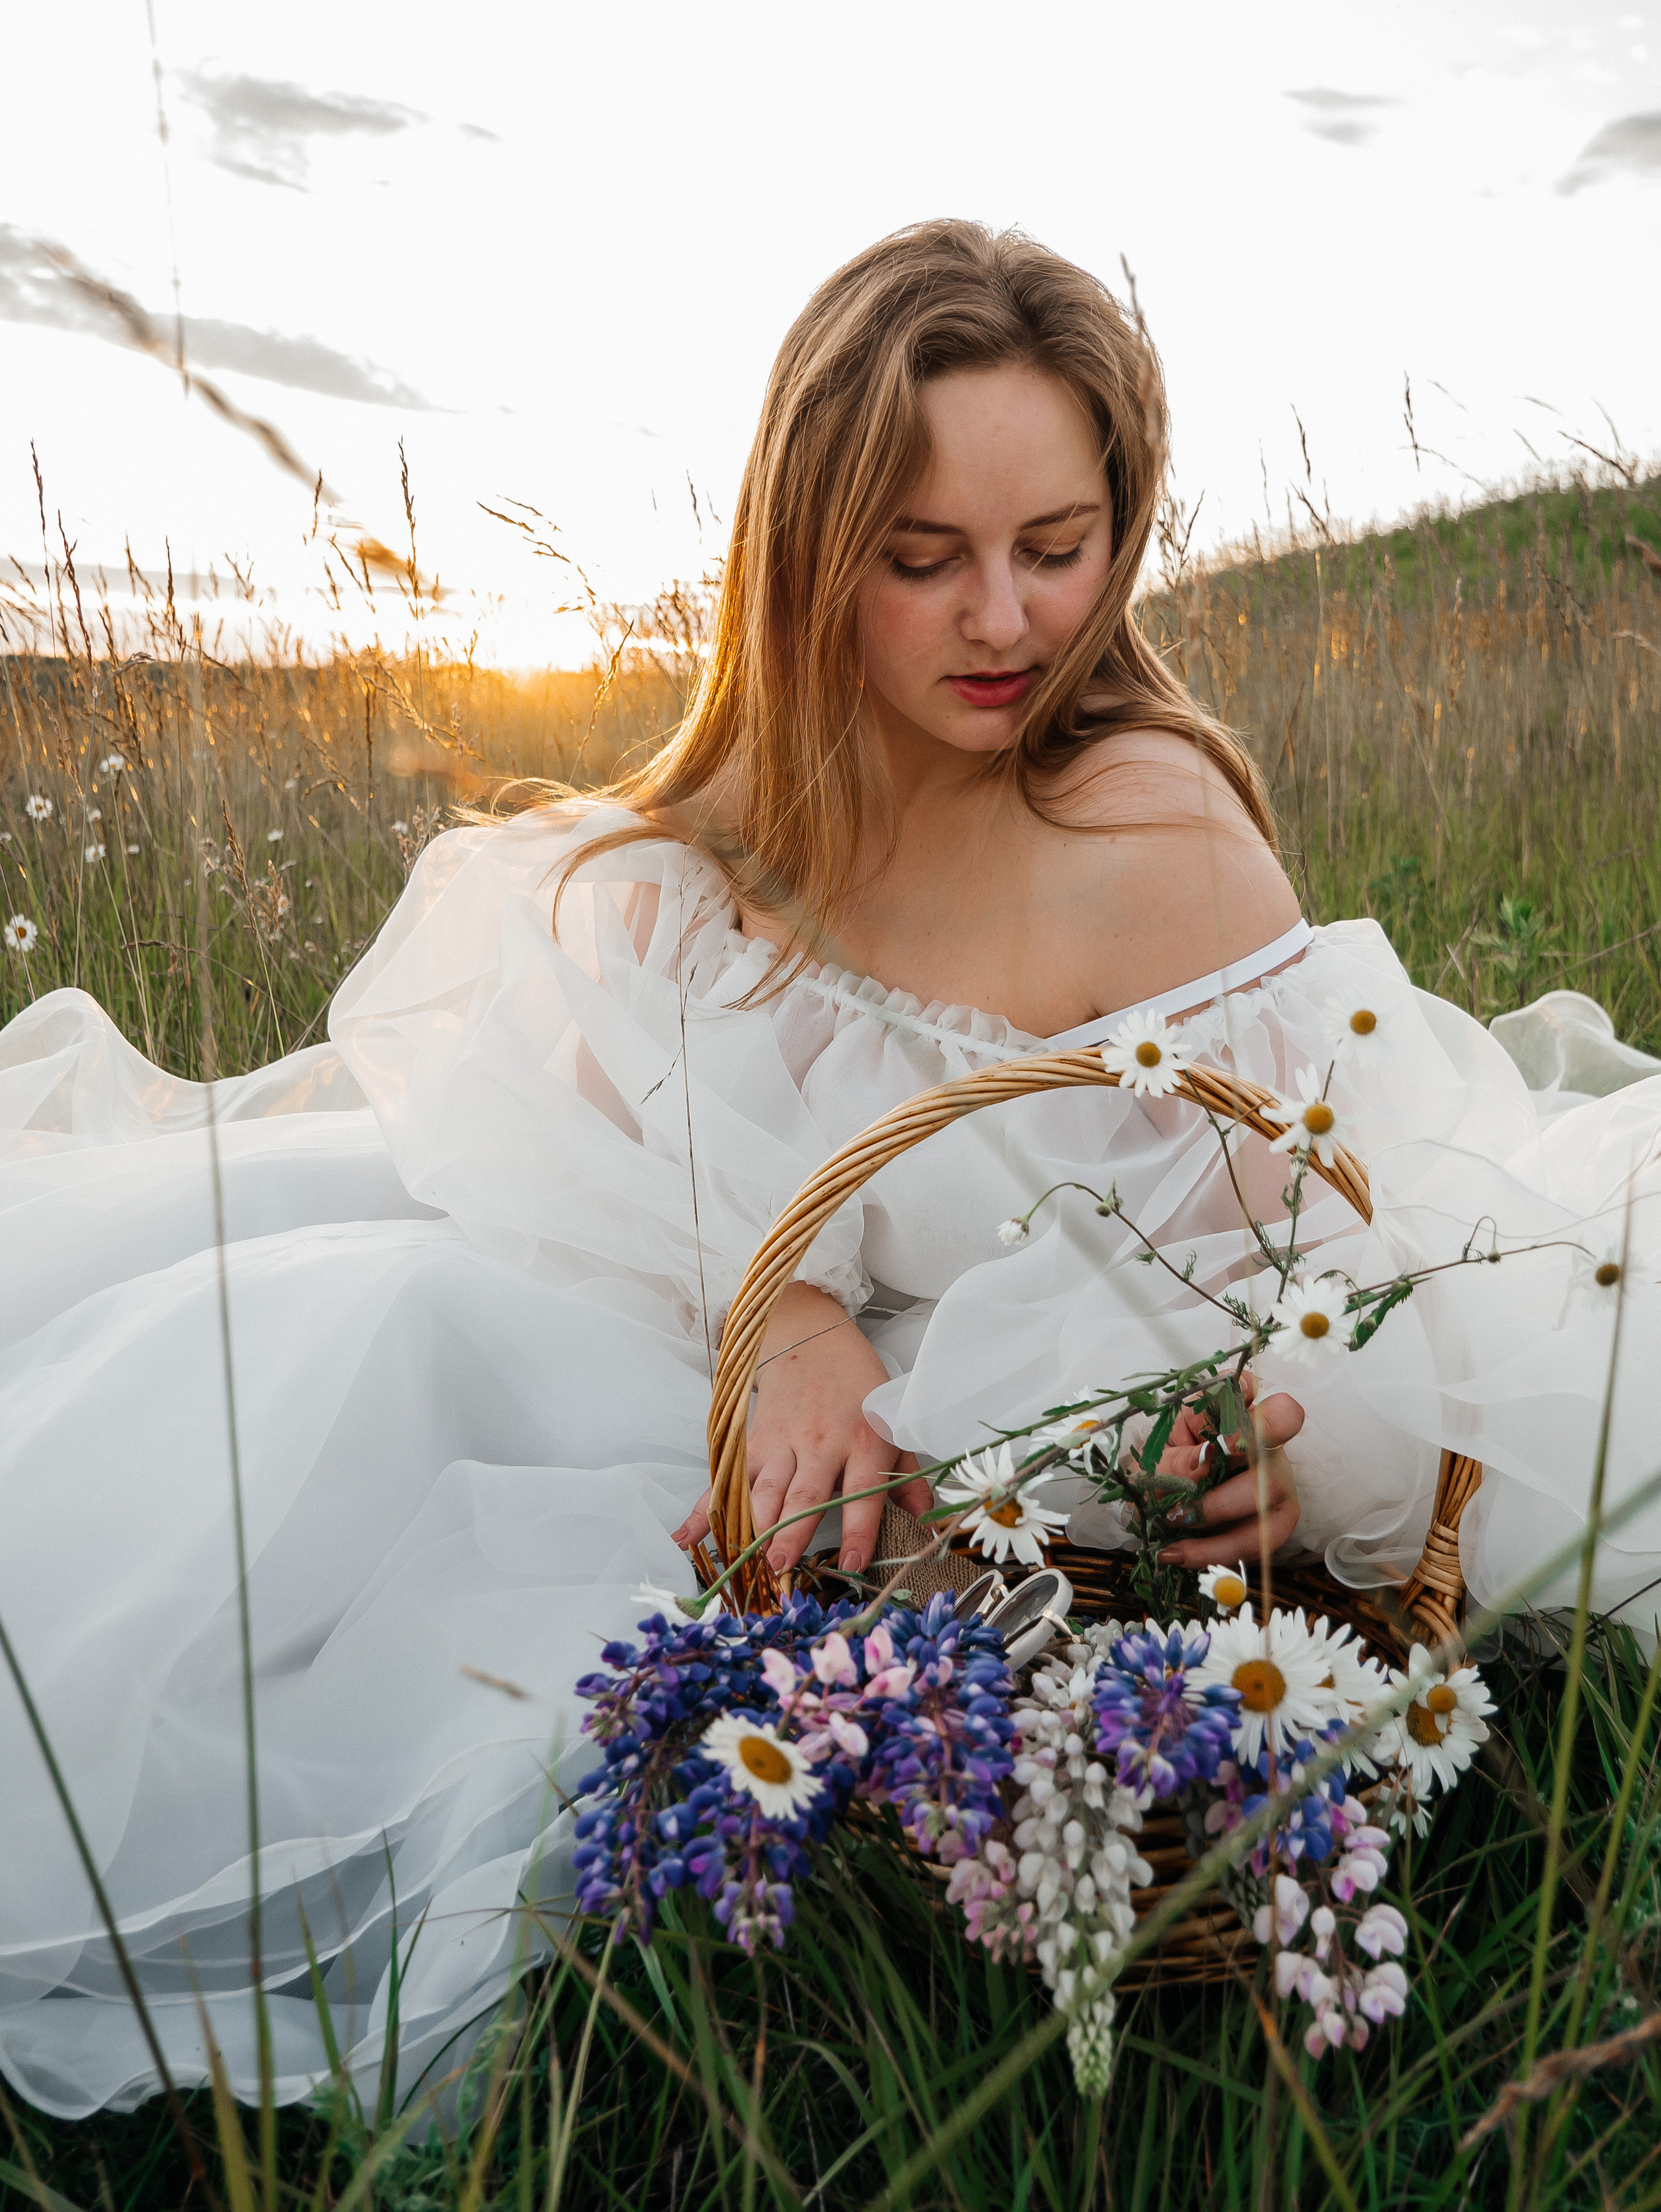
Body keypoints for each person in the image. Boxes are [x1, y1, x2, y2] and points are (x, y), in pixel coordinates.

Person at [0, 219, 1655, 2121]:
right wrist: (774, 1299)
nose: (1004, 622)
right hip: (729, 1394)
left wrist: (1270, 1454)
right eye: (921, 558)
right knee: (343, 1324)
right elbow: (568, 1134)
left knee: (494, 1500)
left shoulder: (1153, 839)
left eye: (1058, 546)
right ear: (806, 553)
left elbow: (1325, 1258)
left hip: (993, 1471)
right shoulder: (731, 831)